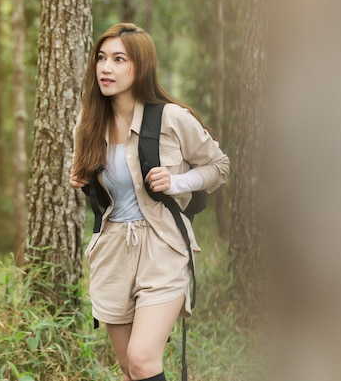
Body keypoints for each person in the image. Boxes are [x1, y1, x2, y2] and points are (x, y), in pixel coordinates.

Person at [69, 23, 229, 381]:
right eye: (101, 58)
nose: (105, 68)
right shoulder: (89, 122)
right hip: (111, 251)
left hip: (162, 247)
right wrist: (81, 181)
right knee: (130, 369)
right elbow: (103, 188)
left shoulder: (171, 117)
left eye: (118, 59)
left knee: (142, 360)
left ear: (139, 67)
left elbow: (219, 167)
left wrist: (177, 181)